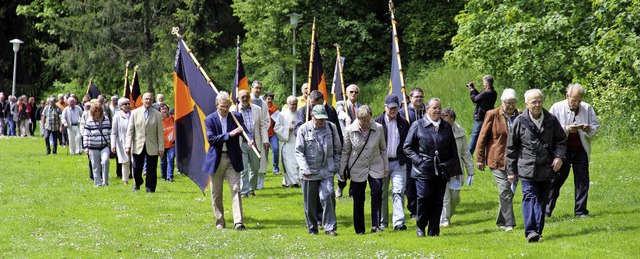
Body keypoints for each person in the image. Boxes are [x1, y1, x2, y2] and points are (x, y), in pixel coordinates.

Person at [507, 89, 567, 243]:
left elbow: (561, 140)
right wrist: (511, 171)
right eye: (534, 102)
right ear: (526, 104)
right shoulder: (519, 122)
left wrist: (559, 157)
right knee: (529, 197)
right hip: (527, 168)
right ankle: (530, 231)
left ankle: (538, 231)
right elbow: (511, 148)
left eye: (539, 101)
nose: (537, 104)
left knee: (542, 199)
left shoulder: (551, 120)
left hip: (547, 168)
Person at [404, 98, 461, 237]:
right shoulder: (418, 125)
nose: (437, 110)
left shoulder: (446, 127)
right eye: (434, 108)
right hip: (423, 170)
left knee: (438, 200)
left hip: (441, 170)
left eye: (439, 108)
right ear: (427, 109)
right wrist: (419, 160)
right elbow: (407, 147)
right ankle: (420, 226)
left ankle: (434, 230)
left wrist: (454, 169)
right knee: (423, 199)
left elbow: (453, 149)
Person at [547, 83, 599, 218]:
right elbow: (549, 129)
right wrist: (566, 129)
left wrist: (587, 129)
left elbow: (595, 126)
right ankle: (546, 210)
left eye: (579, 100)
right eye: (574, 100)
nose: (576, 103)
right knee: (556, 180)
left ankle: (580, 211)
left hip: (580, 149)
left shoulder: (587, 108)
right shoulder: (557, 108)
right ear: (567, 96)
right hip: (562, 150)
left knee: (582, 181)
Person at [476, 88, 520, 232]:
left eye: (513, 103)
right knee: (505, 190)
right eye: (508, 103)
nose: (511, 106)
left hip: (515, 160)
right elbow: (482, 137)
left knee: (509, 191)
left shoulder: (520, 115)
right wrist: (479, 158)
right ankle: (509, 223)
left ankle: (501, 220)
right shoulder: (492, 115)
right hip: (497, 159)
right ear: (502, 102)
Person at [202, 91, 247, 230]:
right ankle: (220, 221)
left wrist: (249, 140)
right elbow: (211, 139)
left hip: (233, 158)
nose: (225, 109)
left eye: (227, 106)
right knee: (216, 192)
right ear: (217, 105)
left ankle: (238, 222)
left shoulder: (236, 116)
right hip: (217, 158)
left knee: (236, 189)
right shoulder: (210, 119)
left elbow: (244, 131)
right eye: (222, 107)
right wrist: (229, 134)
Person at [340, 105, 388, 234]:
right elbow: (345, 151)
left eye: (367, 120)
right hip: (357, 167)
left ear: (371, 117)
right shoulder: (349, 130)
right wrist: (341, 170)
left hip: (375, 164)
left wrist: (385, 167)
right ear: (357, 118)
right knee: (358, 197)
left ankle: (376, 225)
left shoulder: (378, 128)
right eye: (362, 120)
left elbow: (383, 149)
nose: (365, 123)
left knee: (377, 192)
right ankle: (359, 229)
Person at [295, 104, 341, 236]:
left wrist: (336, 166)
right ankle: (312, 228)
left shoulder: (331, 127)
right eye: (318, 119)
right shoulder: (303, 129)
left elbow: (338, 149)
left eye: (323, 119)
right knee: (310, 202)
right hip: (309, 172)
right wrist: (305, 169)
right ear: (312, 116)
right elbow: (298, 152)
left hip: (327, 169)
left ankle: (329, 227)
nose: (320, 122)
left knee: (328, 196)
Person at [375, 95, 410, 230]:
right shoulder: (377, 123)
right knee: (382, 192)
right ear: (385, 107)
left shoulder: (403, 122)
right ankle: (383, 222)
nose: (393, 110)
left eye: (395, 107)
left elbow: (407, 142)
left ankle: (398, 222)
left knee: (398, 191)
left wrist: (405, 157)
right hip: (381, 163)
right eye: (390, 108)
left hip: (398, 163)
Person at [439, 107, 475, 228]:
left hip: (456, 170)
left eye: (450, 122)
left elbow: (465, 151)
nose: (448, 125)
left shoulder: (459, 130)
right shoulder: (436, 130)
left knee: (454, 197)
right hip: (442, 169)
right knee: (445, 197)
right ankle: (444, 220)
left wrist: (470, 170)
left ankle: (448, 215)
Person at [231, 89, 268, 197]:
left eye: (247, 96)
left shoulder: (257, 109)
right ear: (238, 98)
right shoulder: (234, 110)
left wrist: (265, 140)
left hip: (255, 142)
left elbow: (262, 126)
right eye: (242, 97)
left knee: (255, 167)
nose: (245, 99)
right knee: (244, 168)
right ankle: (245, 191)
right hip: (241, 143)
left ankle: (252, 188)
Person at [126, 92, 164, 193]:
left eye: (150, 99)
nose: (148, 101)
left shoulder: (158, 115)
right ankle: (137, 183)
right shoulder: (135, 113)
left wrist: (161, 148)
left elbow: (160, 133)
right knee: (136, 168)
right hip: (138, 144)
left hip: (152, 145)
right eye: (146, 99)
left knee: (151, 168)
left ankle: (150, 188)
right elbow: (130, 131)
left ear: (152, 101)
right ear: (142, 100)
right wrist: (127, 146)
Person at [399, 87, 426, 219]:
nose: (419, 99)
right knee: (411, 183)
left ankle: (425, 206)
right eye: (417, 97)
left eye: (421, 96)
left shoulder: (427, 111)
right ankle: (413, 209)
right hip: (409, 153)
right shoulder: (403, 112)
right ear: (410, 98)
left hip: (424, 152)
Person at [334, 84, 362, 198]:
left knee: (355, 165)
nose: (353, 94)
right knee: (343, 165)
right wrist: (346, 117)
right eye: (351, 92)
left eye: (356, 92)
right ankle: (340, 187)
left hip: (357, 140)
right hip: (344, 140)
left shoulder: (360, 107)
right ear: (346, 93)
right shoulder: (341, 104)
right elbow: (339, 112)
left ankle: (352, 190)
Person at [82, 100, 112, 187]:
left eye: (99, 110)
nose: (97, 113)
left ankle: (105, 182)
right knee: (95, 165)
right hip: (93, 147)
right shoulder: (89, 121)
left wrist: (111, 144)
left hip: (104, 146)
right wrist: (86, 147)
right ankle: (97, 183)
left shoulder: (106, 120)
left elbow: (109, 132)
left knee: (105, 161)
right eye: (95, 111)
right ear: (92, 112)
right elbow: (86, 135)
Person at [467, 75, 497, 155]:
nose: (483, 84)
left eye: (484, 83)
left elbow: (475, 99)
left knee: (474, 136)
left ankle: (469, 154)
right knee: (486, 136)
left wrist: (471, 91)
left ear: (487, 84)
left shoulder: (486, 93)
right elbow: (480, 97)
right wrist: (474, 89)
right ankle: (489, 154)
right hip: (488, 117)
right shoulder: (493, 92)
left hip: (481, 117)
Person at [274, 96, 300, 187]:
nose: (294, 106)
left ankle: (295, 181)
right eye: (292, 104)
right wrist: (287, 129)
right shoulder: (282, 114)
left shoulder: (300, 113)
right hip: (287, 141)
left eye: (295, 104)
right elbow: (276, 128)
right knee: (288, 162)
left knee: (296, 162)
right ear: (288, 104)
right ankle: (292, 182)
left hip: (297, 141)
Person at [249, 81, 271, 186]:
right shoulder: (246, 99)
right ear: (251, 88)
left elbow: (266, 120)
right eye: (256, 88)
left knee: (260, 160)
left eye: (260, 88)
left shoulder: (263, 103)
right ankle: (247, 184)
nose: (258, 90)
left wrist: (263, 135)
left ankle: (259, 184)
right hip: (247, 135)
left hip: (259, 135)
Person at [111, 98, 133, 185]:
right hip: (121, 142)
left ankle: (136, 180)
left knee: (135, 161)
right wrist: (113, 145)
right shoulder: (117, 116)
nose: (127, 105)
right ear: (121, 106)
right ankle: (125, 180)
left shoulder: (133, 115)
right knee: (125, 162)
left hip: (133, 141)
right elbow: (114, 132)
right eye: (125, 104)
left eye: (128, 103)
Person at [263, 92, 281, 174]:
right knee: (264, 152)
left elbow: (279, 121)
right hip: (264, 133)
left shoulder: (275, 109)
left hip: (272, 133)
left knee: (276, 148)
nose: (270, 101)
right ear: (265, 100)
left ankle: (275, 168)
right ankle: (263, 168)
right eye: (268, 99)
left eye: (271, 99)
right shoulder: (261, 108)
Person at [159, 103, 176, 182]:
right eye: (162, 109)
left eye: (166, 108)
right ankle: (164, 176)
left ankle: (170, 177)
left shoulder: (172, 118)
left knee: (171, 159)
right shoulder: (158, 121)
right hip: (162, 144)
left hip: (172, 144)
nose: (164, 110)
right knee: (163, 161)